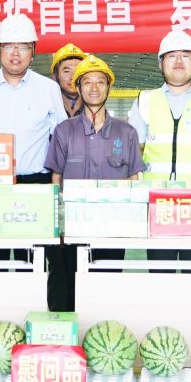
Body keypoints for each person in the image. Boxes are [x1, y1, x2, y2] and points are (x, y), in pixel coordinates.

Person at [47, 55, 141, 309]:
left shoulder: (126, 133)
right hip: (72, 225)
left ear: (109, 87)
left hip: (113, 224)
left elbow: (133, 178)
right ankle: (63, 327)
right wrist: (58, 224)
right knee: (65, 284)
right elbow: (56, 178)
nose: (94, 88)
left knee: (107, 285)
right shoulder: (64, 131)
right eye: (87, 82)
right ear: (78, 88)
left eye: (100, 81)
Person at [0, 14, 67, 183]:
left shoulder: (49, 89)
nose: (15, 53)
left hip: (36, 182)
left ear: (33, 51)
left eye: (23, 47)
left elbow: (61, 139)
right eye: (9, 46)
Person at [130, 29, 191, 183]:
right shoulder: (144, 100)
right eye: (171, 56)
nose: (178, 61)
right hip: (155, 191)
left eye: (185, 56)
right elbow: (136, 149)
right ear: (160, 63)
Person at [50, 42, 88, 118]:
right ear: (55, 76)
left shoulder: (94, 109)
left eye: (77, 71)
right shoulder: (47, 109)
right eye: (67, 71)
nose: (72, 77)